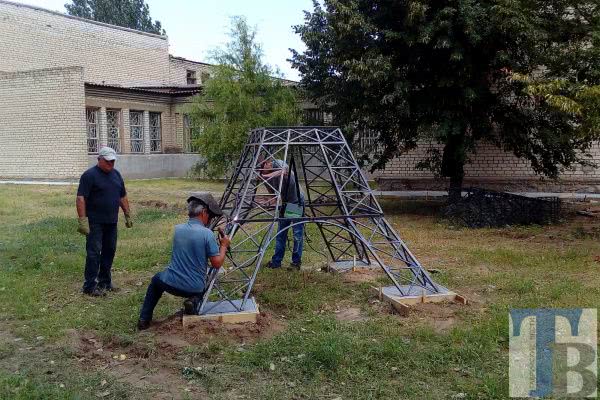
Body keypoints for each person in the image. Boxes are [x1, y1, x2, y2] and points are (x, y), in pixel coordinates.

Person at [137, 192, 230, 331]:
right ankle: (193, 301)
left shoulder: (178, 229)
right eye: (210, 215)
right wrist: (223, 245)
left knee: (156, 281)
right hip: (193, 287)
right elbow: (216, 263)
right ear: (204, 212)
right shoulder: (207, 234)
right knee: (204, 283)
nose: (210, 219)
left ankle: (144, 319)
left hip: (169, 282)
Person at [76, 146, 132, 297]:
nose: (111, 164)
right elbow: (81, 198)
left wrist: (127, 214)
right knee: (94, 253)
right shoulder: (89, 175)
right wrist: (82, 220)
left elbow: (122, 196)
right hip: (95, 222)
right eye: (108, 161)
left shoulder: (116, 175)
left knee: (109, 251)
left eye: (113, 161)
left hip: (111, 222)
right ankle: (89, 286)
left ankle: (105, 282)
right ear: (99, 159)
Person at [260, 158, 305, 270]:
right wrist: (271, 201)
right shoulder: (264, 175)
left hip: (295, 201)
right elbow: (272, 192)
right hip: (285, 202)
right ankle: (276, 262)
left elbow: (285, 171)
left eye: (261, 168)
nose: (261, 171)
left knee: (297, 233)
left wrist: (266, 176)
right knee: (281, 233)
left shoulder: (277, 163)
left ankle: (296, 262)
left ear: (267, 163)